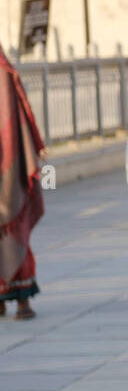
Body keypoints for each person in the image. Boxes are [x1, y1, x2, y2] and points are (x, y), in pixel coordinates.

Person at [0, 50, 45, 319]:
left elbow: (9, 122)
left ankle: (21, 299)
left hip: (7, 161)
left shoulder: (3, 71)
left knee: (13, 227)